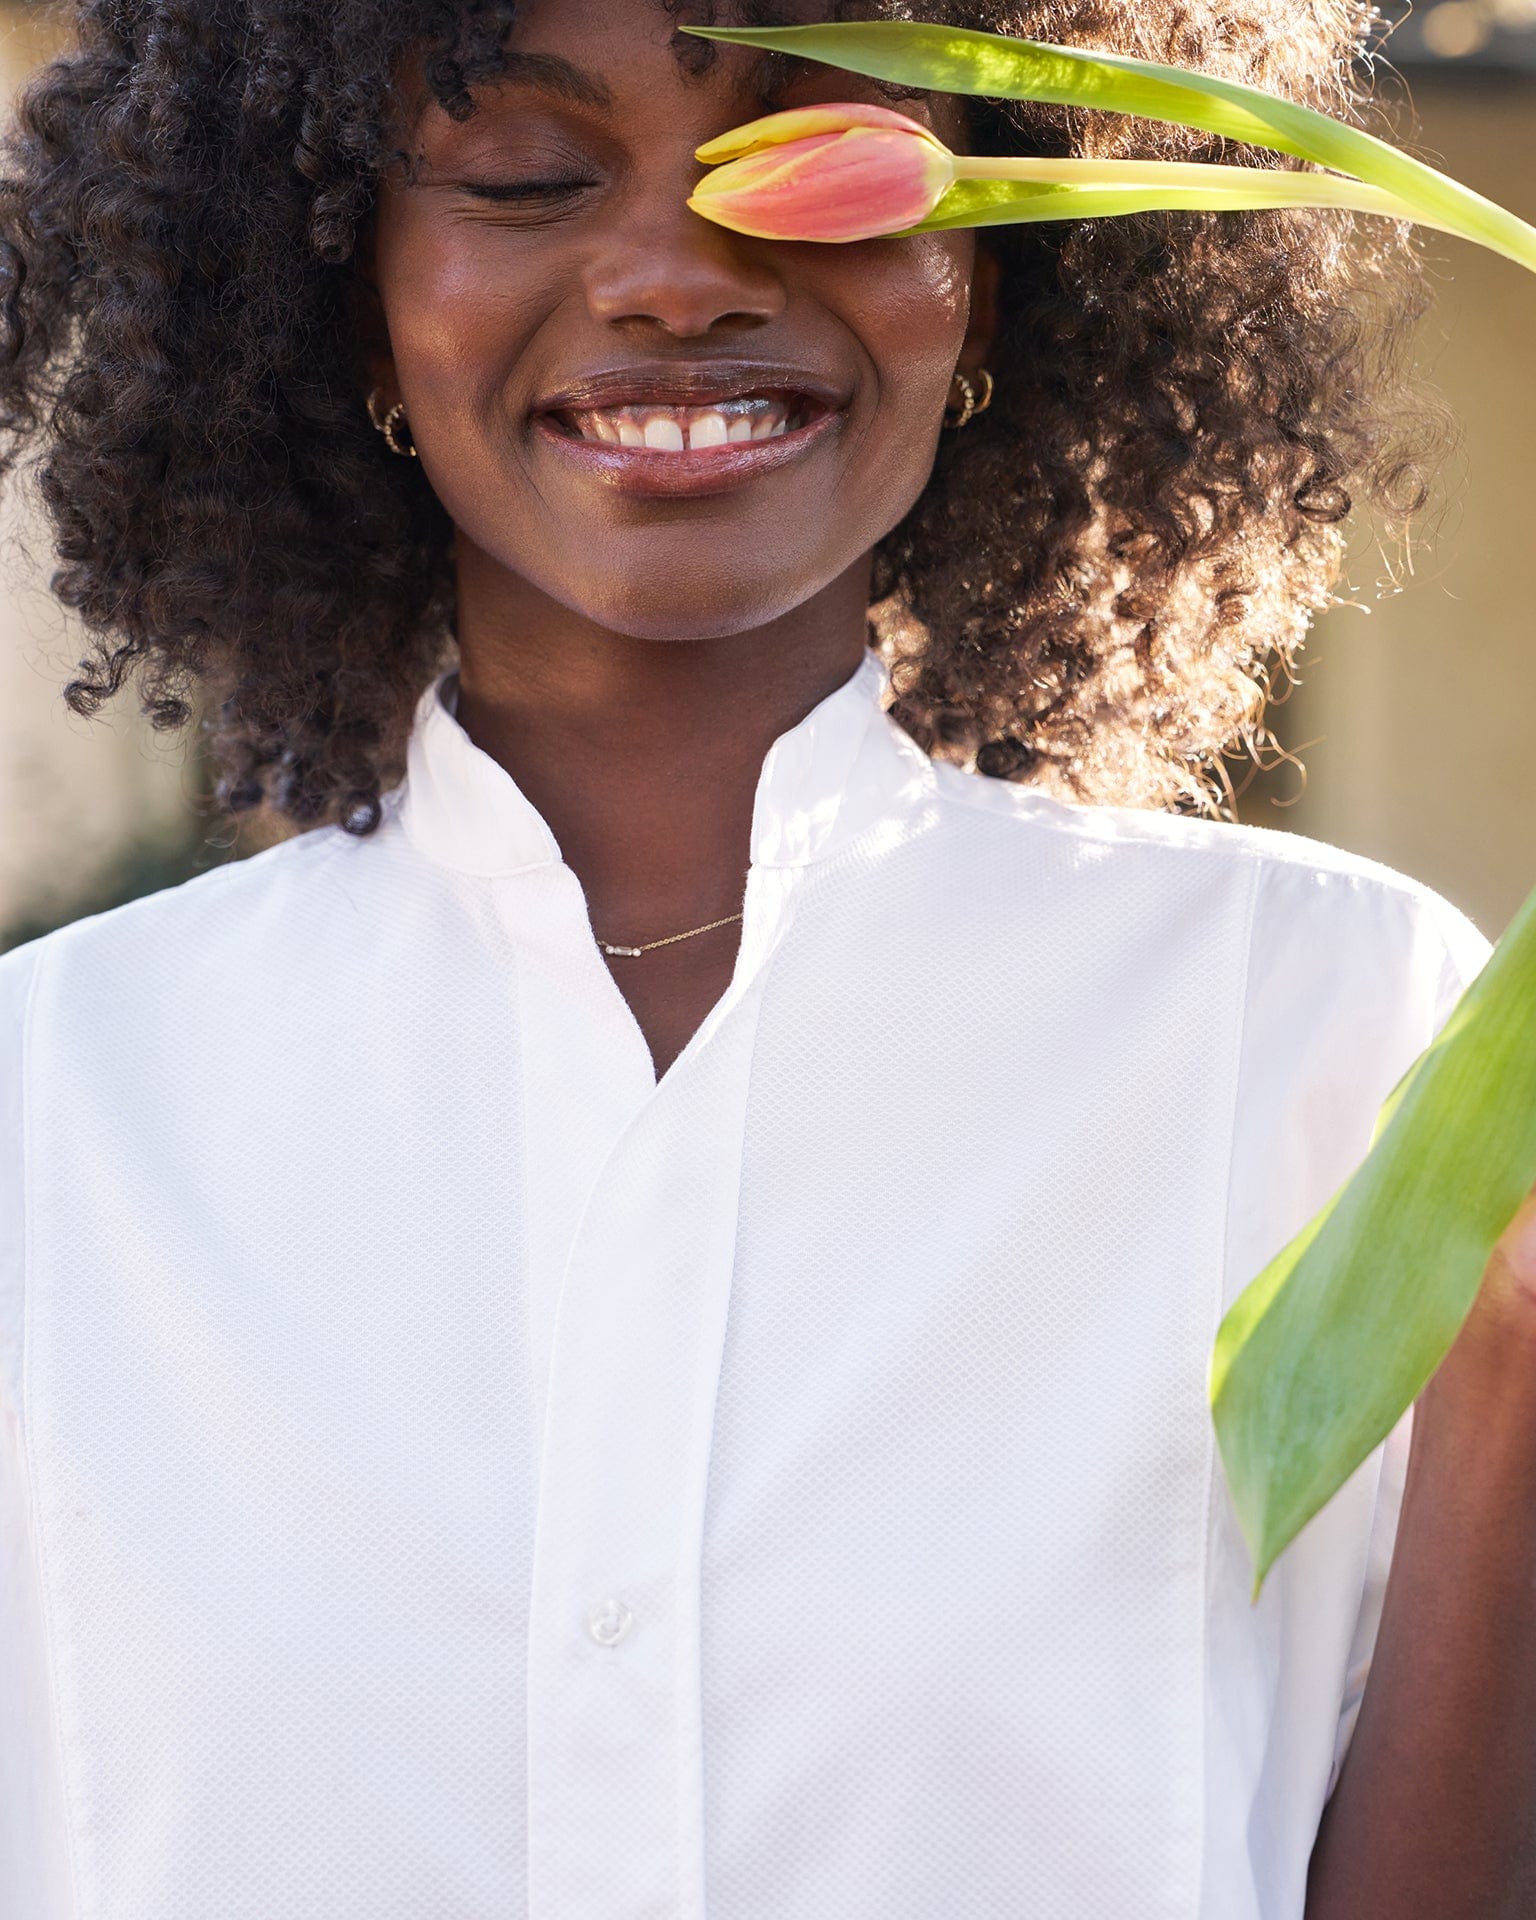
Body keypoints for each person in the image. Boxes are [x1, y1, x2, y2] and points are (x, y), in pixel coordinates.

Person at [2, 2, 1534, 1916]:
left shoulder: (1325, 1029)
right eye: (527, 180)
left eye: (819, 168)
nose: (668, 275)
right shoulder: (52, 1114)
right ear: (350, 296)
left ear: (990, 274)